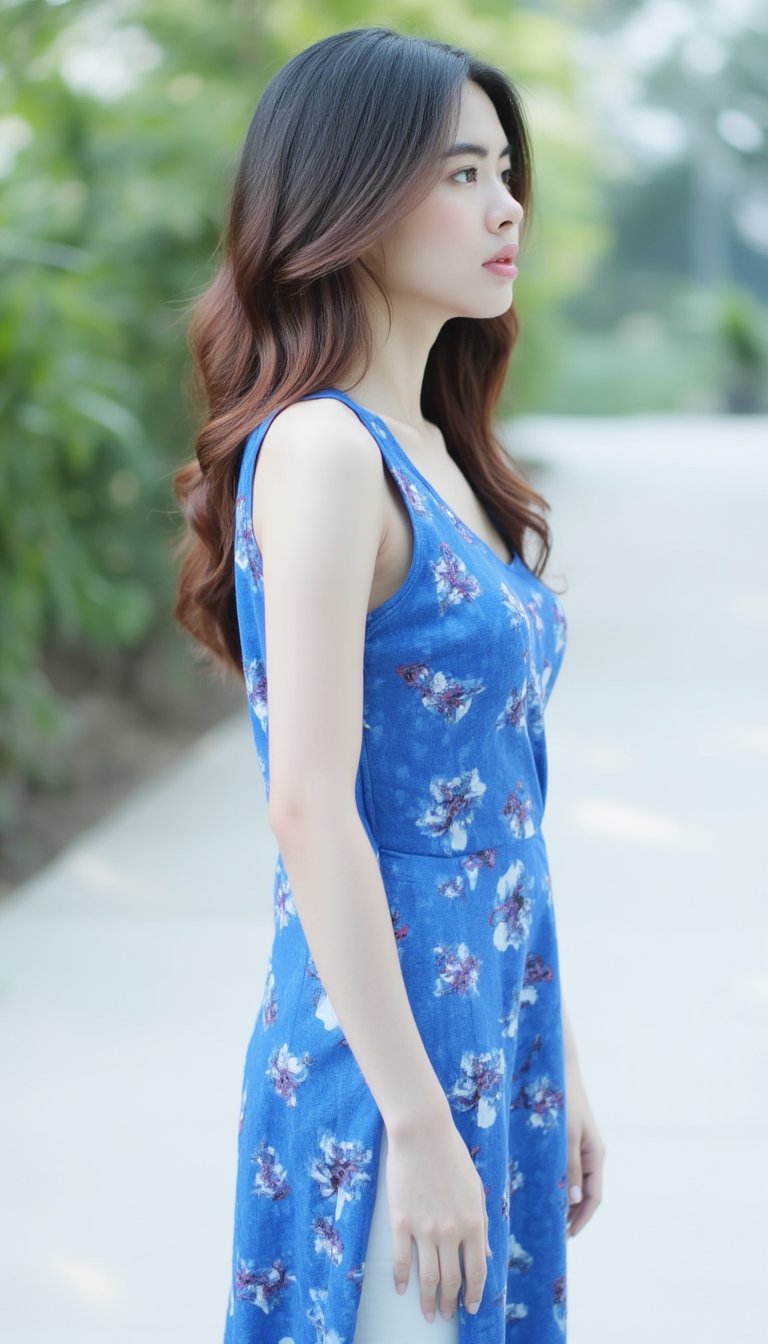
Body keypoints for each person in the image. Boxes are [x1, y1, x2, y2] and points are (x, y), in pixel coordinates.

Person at [173, 25, 605, 1344]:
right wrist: (415, 1125)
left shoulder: (445, 452)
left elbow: (505, 808)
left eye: (504, 170)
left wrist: (560, 1057)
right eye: (461, 173)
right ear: (348, 199)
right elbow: (310, 804)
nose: (506, 203)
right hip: (387, 1054)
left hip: (494, 1015)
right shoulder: (323, 450)